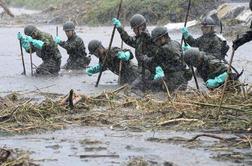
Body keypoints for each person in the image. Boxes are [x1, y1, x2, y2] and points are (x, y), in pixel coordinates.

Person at [132, 27, 192, 92]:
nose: (156, 43)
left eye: (156, 41)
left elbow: (152, 61)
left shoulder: (163, 49)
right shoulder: (176, 43)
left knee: (148, 84)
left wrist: (144, 58)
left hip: (173, 83)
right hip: (183, 81)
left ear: (162, 38)